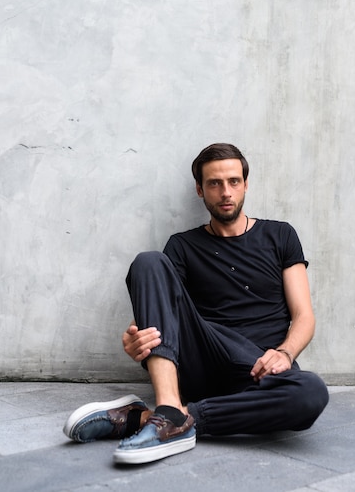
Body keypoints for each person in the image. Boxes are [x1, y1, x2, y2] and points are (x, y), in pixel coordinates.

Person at [63, 143, 329, 464]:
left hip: (260, 367)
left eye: (233, 181)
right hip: (204, 358)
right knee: (149, 262)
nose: (226, 192)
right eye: (214, 183)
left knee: (310, 393)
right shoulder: (183, 245)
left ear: (245, 184)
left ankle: (158, 418)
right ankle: (169, 408)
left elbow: (304, 317)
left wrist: (285, 354)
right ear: (200, 190)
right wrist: (137, 341)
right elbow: (163, 311)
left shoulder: (281, 235)